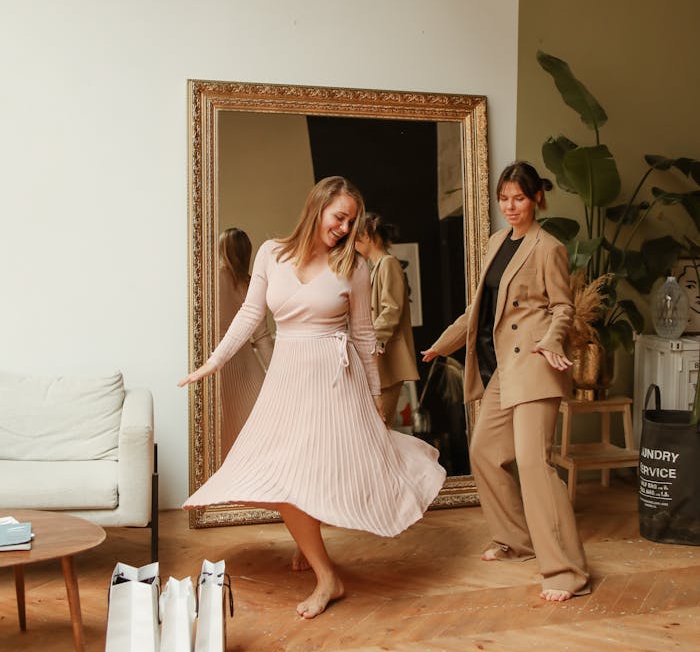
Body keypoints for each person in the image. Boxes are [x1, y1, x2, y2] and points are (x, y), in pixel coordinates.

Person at [179, 176, 445, 619]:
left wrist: (376, 397)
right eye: (339, 217)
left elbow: (362, 336)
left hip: (334, 378)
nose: (344, 228)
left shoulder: (354, 268)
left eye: (351, 221)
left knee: (318, 466)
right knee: (284, 471)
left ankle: (327, 577)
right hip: (287, 377)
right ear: (317, 207)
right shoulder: (271, 253)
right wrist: (214, 362)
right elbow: (251, 314)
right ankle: (316, 554)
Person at [422, 161, 590, 602]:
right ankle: (518, 542)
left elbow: (562, 308)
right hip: (502, 369)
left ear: (536, 198)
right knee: (484, 451)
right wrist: (445, 344)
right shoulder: (497, 242)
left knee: (534, 464)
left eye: (518, 198)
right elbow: (478, 309)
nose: (510, 206)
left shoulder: (548, 247)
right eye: (504, 198)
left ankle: (566, 571)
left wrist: (552, 343)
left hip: (535, 363)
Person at [354, 213, 420, 427]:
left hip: (390, 360)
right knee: (378, 428)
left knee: (381, 428)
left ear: (367, 236)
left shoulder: (388, 263)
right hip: (382, 360)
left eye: (355, 239)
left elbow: (392, 309)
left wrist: (372, 341)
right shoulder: (377, 267)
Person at [216, 228, 273, 457]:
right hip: (249, 369)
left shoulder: (209, 281)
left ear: (222, 250)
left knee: (225, 441)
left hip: (220, 365)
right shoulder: (250, 285)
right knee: (254, 443)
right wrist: (276, 373)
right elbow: (262, 337)